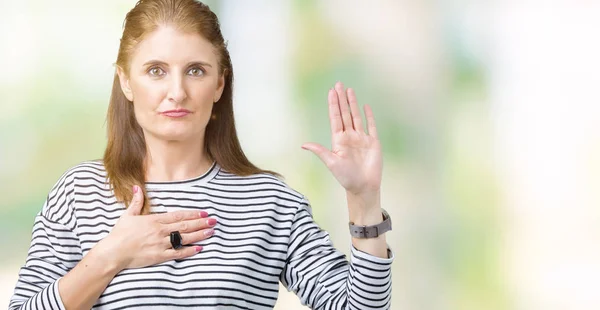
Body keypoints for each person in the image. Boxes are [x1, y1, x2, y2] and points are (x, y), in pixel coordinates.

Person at [8, 0, 394, 309]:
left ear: (219, 84)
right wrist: (112, 255)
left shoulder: (269, 201)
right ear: (126, 81)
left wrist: (363, 201)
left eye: (195, 71)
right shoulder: (80, 194)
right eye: (156, 71)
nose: (176, 91)